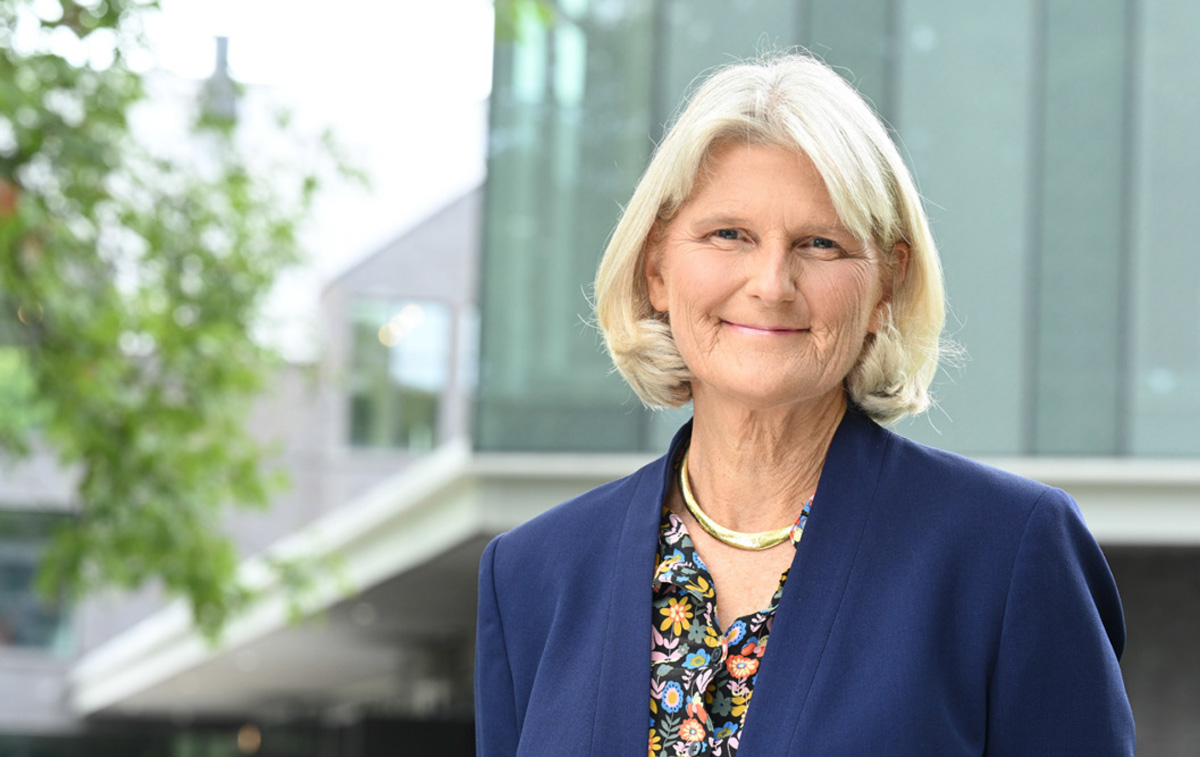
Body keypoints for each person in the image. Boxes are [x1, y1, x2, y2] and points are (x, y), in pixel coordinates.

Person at [474, 53, 1135, 756]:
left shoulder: (1005, 553)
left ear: (887, 284)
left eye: (821, 243)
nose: (772, 283)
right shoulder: (532, 576)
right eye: (729, 234)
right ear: (657, 266)